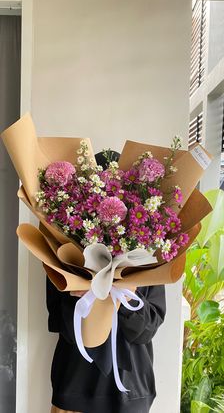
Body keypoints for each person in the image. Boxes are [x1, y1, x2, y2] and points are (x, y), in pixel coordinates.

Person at [47, 151, 166, 413]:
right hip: (75, 389)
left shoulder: (146, 256)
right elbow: (58, 321)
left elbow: (148, 328)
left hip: (131, 390)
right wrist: (86, 295)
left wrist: (123, 296)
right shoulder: (64, 251)